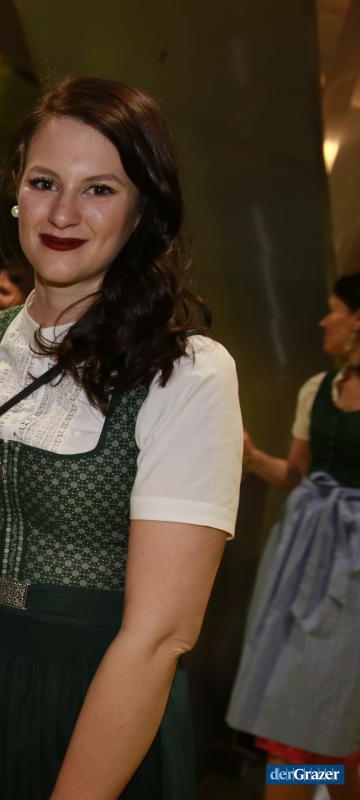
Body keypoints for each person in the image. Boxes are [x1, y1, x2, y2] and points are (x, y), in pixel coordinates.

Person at [0, 76, 243, 799]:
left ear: (142, 210)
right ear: (16, 191)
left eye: (99, 189)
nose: (63, 213)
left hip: (97, 700)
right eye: (44, 182)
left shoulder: (186, 373)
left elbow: (159, 636)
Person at [227, 272, 360, 800]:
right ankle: (306, 778)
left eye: (334, 310)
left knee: (341, 712)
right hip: (305, 555)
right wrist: (253, 457)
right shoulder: (318, 389)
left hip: (353, 567)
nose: (324, 321)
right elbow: (297, 474)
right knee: (291, 703)